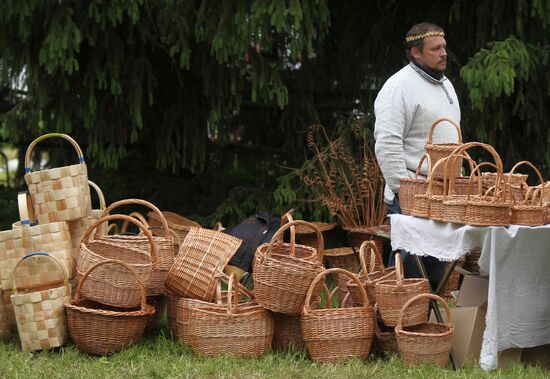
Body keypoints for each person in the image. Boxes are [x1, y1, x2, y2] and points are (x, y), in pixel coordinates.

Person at [373, 22, 461, 287]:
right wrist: (404, 190)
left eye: (444, 47)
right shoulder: (398, 87)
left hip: (442, 194)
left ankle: (419, 326)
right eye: (435, 49)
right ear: (416, 53)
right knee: (408, 279)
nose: (444, 53)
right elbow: (387, 143)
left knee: (435, 276)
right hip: (413, 195)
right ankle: (392, 325)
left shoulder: (445, 83)